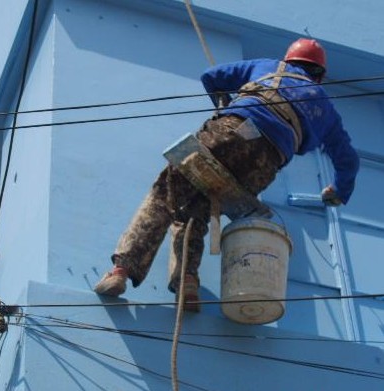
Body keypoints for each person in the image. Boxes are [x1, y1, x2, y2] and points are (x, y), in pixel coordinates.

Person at [94, 38, 360, 312]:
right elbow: (348, 159)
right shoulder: (326, 109)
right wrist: (338, 192)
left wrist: (224, 103)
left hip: (234, 131)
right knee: (199, 207)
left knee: (167, 191)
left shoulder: (270, 67)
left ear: (289, 60)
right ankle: (187, 281)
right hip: (264, 167)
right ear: (320, 76)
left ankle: (121, 271)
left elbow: (211, 76)